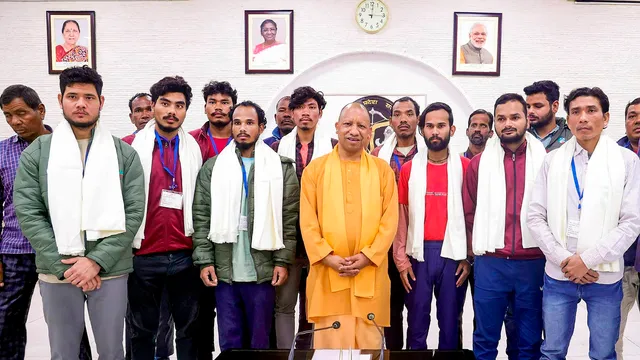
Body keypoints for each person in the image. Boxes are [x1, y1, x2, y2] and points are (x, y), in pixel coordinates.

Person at [13, 66, 145, 359]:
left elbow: (134, 212)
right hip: (57, 269)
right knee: (63, 352)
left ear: (101, 101)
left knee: (112, 351)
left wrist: (96, 261)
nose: (81, 103)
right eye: (73, 96)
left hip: (110, 270)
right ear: (60, 100)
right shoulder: (37, 153)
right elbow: (29, 211)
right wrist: (68, 268)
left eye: (89, 96)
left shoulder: (123, 153)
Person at [528, 87, 640, 360]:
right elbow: (534, 215)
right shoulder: (552, 160)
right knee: (552, 351)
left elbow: (631, 222)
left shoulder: (626, 161)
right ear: (568, 118)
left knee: (603, 353)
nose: (583, 118)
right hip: (559, 274)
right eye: (576, 112)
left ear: (606, 117)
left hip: (604, 276)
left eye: (591, 111)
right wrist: (565, 259)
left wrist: (587, 260)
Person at [192, 100, 299, 351]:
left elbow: (289, 219)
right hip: (225, 270)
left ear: (261, 127)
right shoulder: (213, 167)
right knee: (230, 342)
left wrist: (282, 262)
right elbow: (201, 216)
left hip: (261, 271)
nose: (242, 128)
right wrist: (205, 260)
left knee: (260, 342)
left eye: (249, 123)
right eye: (237, 122)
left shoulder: (281, 168)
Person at [0, 85, 95, 360]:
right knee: (6, 322)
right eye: (8, 116)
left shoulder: (70, 147)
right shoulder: (3, 152)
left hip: (60, 252)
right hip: (15, 252)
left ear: (40, 110)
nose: (15, 122)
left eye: (21, 113)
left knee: (70, 323)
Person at [300, 102, 399, 349]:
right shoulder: (315, 170)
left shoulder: (382, 171)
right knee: (330, 349)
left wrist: (368, 256)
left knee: (369, 347)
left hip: (369, 273)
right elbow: (307, 222)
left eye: (361, 126)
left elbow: (390, 221)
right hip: (328, 275)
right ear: (337, 127)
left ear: (369, 132)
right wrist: (327, 257)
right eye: (348, 124)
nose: (353, 131)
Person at [123, 76, 204, 359]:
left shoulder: (194, 148)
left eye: (179, 105)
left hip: (185, 254)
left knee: (188, 330)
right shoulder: (129, 147)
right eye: (165, 103)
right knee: (142, 331)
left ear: (186, 110)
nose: (172, 111)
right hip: (143, 254)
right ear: (154, 105)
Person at [463, 93, 547, 360]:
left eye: (514, 117)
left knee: (529, 340)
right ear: (494, 124)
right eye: (501, 118)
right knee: (485, 338)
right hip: (491, 262)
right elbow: (469, 211)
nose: (507, 123)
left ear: (526, 119)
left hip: (533, 262)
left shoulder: (547, 162)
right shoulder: (478, 165)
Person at [394, 102, 471, 350]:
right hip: (418, 255)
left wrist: (467, 257)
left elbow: (472, 216)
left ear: (452, 129)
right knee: (416, 324)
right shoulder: (408, 169)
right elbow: (401, 217)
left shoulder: (466, 168)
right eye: (429, 126)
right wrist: (401, 260)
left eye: (441, 125)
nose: (435, 131)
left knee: (450, 324)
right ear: (421, 130)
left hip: (453, 254)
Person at [270, 86, 336, 349]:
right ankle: (286, 355)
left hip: (322, 240)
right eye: (299, 107)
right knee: (284, 305)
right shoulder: (276, 148)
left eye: (311, 107)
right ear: (292, 113)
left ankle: (311, 354)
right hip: (288, 240)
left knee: (316, 308)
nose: (305, 113)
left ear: (320, 113)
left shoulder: (334, 148)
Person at [370, 96, 424, 350]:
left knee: (418, 311)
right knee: (389, 313)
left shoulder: (430, 153)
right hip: (385, 244)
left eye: (409, 114)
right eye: (398, 114)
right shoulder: (377, 156)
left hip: (420, 244)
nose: (403, 119)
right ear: (390, 121)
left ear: (417, 119)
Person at [615, 97, 640, 360]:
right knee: (611, 337)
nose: (638, 120)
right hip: (621, 262)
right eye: (632, 115)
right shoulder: (612, 156)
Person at [190, 81, 237, 162]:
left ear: (235, 108)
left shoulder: (244, 138)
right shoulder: (191, 139)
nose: (218, 107)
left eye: (224, 102)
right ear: (205, 108)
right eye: (212, 102)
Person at [524, 80, 572, 151]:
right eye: (528, 107)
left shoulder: (571, 137)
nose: (530, 111)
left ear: (555, 106)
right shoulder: (521, 136)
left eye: (538, 106)